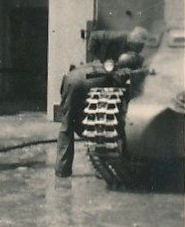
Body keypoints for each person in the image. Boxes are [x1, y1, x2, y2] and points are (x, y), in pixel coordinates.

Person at [54, 26, 149, 178]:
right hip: (94, 78)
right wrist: (95, 58)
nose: (140, 49)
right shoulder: (120, 36)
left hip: (73, 77)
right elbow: (95, 36)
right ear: (135, 41)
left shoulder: (126, 48)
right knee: (105, 111)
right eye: (139, 45)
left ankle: (62, 170)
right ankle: (103, 150)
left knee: (67, 125)